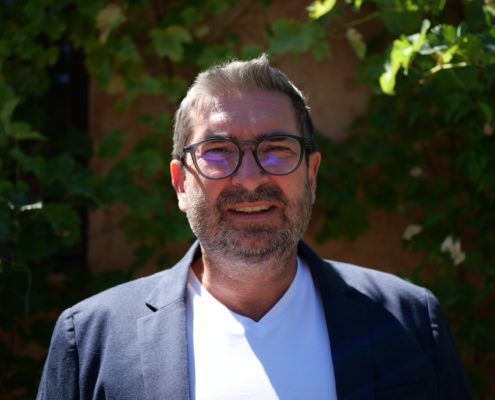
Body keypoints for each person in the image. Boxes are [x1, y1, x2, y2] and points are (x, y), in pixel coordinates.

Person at [37, 55, 472, 400]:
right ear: (181, 183)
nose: (248, 178)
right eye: (218, 151)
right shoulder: (91, 339)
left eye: (276, 149)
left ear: (312, 175)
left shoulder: (410, 320)